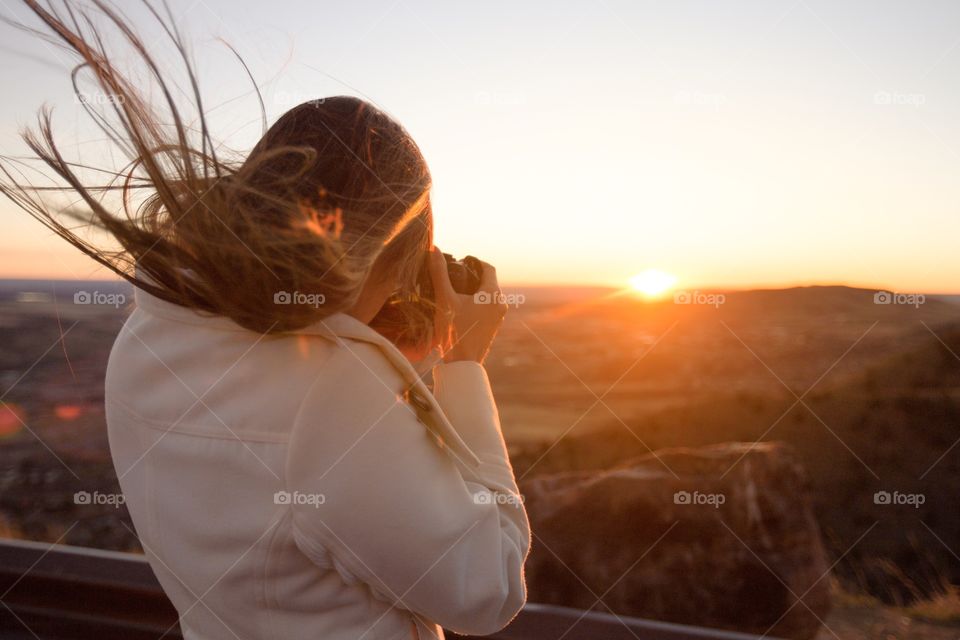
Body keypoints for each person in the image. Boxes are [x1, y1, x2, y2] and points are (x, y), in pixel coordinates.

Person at [0, 2, 530, 639]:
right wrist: (467, 366)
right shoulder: (333, 391)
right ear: (382, 259)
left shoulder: (152, 332)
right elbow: (489, 590)